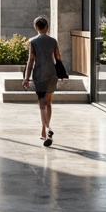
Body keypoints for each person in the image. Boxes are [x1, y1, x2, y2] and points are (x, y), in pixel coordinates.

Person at [23, 16, 62, 146]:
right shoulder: (53, 41)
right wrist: (63, 75)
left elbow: (31, 61)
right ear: (47, 27)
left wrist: (26, 78)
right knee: (48, 103)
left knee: (42, 103)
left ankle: (46, 129)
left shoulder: (33, 42)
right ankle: (44, 130)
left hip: (39, 74)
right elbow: (58, 58)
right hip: (52, 74)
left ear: (35, 27)